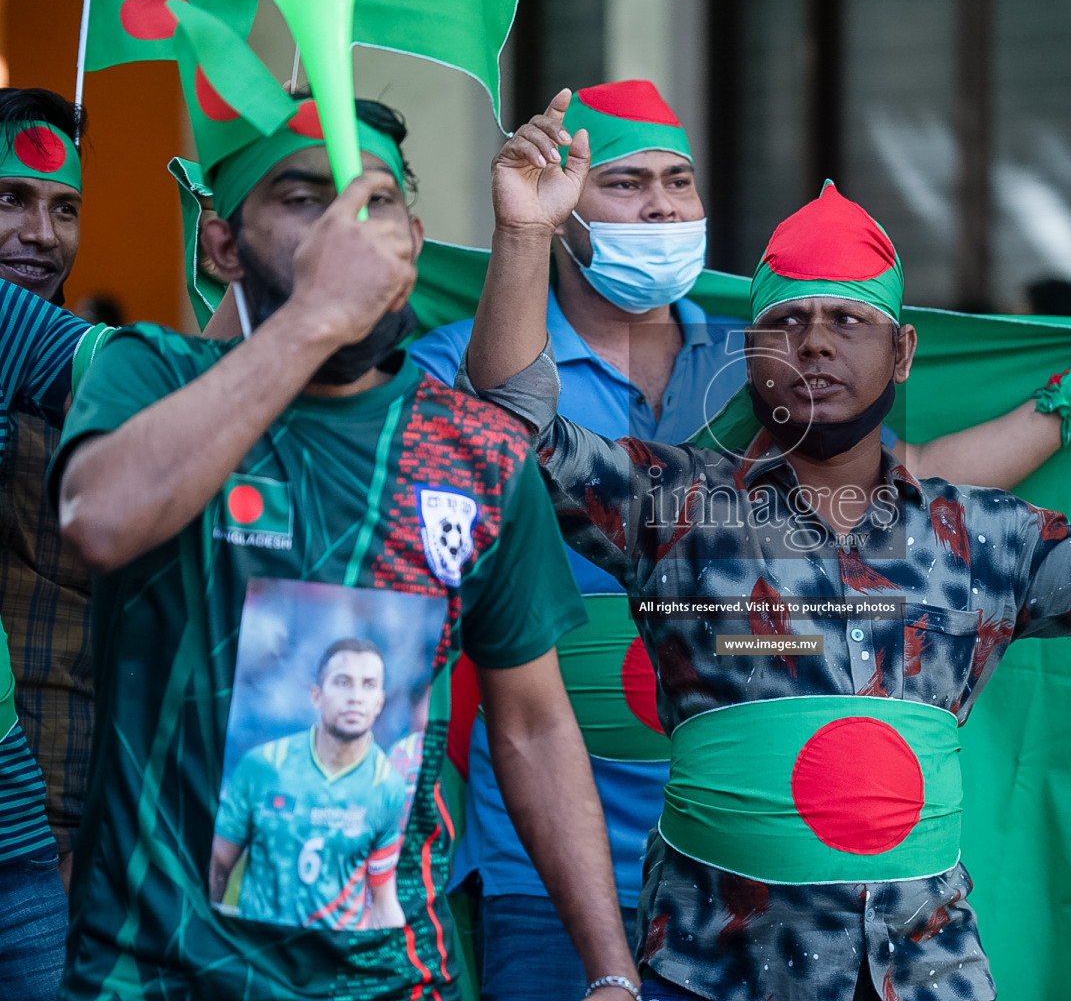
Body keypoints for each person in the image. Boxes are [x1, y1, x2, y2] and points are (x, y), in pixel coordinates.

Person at [454, 92, 1071, 1000]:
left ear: (902, 353)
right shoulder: (674, 508)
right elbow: (512, 424)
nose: (815, 345)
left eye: (848, 322)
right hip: (705, 977)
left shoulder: (983, 537)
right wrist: (521, 236)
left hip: (924, 976)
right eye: (786, 323)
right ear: (749, 354)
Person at [48, 96, 640, 1001]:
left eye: (374, 202)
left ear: (413, 236)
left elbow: (534, 725)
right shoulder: (151, 375)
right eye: (302, 198)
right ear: (222, 245)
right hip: (154, 975)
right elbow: (100, 520)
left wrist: (609, 974)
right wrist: (312, 317)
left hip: (390, 978)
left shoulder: (476, 451)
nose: (345, 231)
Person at [0, 89, 97, 1001]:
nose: (41, 233)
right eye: (10, 200)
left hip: (50, 841)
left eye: (63, 207)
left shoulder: (97, 376)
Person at [209, 638, 410, 930]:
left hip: (335, 962)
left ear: (379, 702)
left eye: (368, 685)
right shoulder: (263, 765)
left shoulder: (387, 785)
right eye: (342, 682)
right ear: (316, 695)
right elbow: (218, 865)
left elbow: (383, 899)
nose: (355, 696)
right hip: (263, 954)